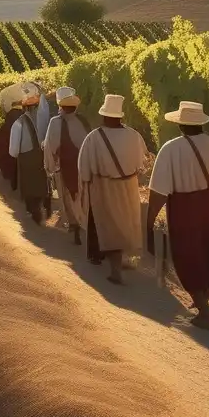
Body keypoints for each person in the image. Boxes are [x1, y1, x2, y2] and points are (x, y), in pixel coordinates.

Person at [146, 100, 209, 330]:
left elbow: (159, 189)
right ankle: (203, 300)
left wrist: (149, 221)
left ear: (180, 124)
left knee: (189, 256)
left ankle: (203, 312)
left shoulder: (171, 148)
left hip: (184, 208)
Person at [77, 94, 148, 285]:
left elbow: (83, 166)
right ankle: (123, 259)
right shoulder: (134, 135)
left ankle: (116, 269)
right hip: (129, 185)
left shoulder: (94, 137)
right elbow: (143, 162)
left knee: (109, 224)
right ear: (120, 116)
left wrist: (85, 184)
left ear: (104, 115)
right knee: (126, 222)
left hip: (104, 185)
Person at [43, 86, 91, 245]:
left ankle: (74, 226)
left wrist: (49, 167)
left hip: (64, 167)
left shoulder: (55, 122)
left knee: (67, 196)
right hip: (84, 167)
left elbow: (50, 147)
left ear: (59, 104)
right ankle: (85, 223)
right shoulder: (83, 120)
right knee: (83, 196)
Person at [7, 82, 51, 223]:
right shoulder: (47, 119)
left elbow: (13, 151)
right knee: (42, 184)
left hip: (26, 160)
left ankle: (34, 211)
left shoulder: (19, 123)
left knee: (29, 188)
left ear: (24, 107)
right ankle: (45, 203)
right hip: (42, 158)